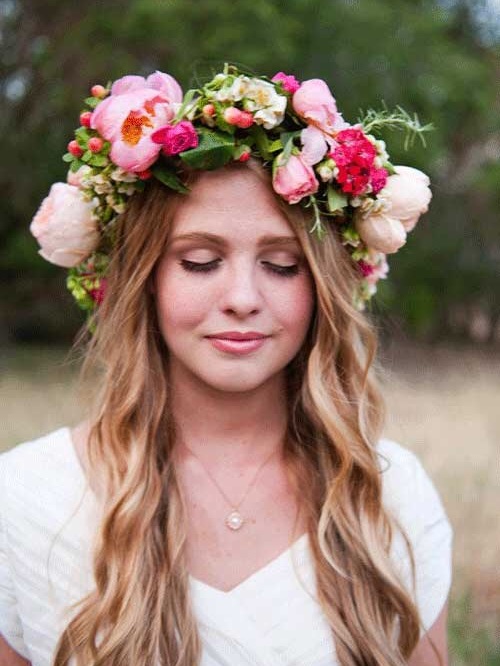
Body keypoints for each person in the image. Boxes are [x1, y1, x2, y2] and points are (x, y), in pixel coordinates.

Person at [0, 65, 452, 666]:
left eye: (282, 265)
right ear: (146, 279)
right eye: (200, 261)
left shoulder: (393, 497)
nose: (242, 298)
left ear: (322, 287)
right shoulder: (27, 500)